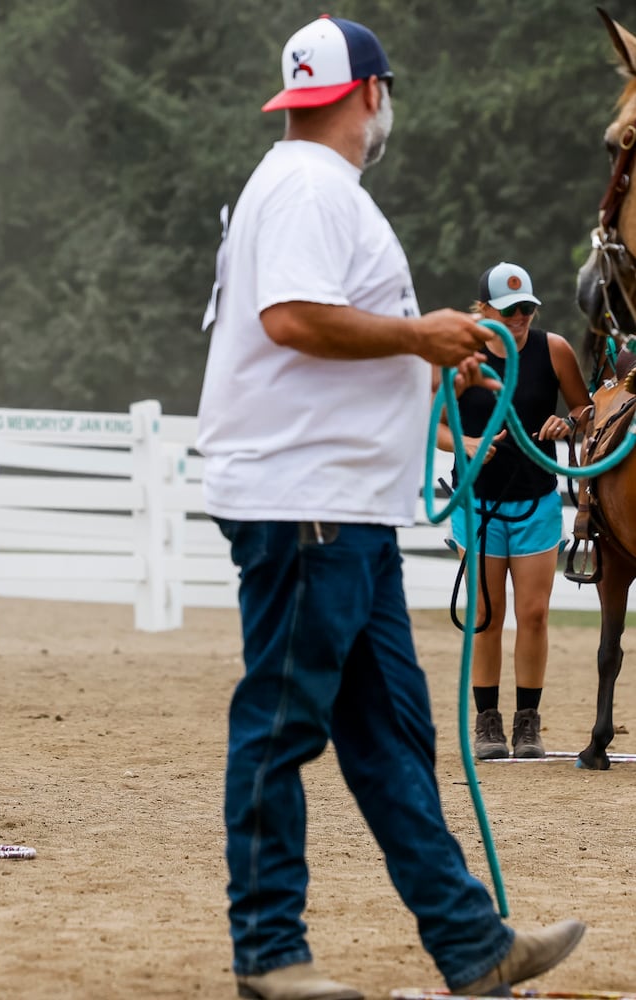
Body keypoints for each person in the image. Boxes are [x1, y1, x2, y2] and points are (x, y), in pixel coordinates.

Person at [195, 15, 585, 999]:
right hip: (304, 501)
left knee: (390, 732)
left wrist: (425, 351)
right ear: (371, 92)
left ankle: (470, 943)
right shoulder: (309, 187)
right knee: (281, 722)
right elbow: (290, 318)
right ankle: (269, 954)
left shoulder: (305, 188)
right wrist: (422, 336)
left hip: (343, 508)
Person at [437, 262, 590, 761]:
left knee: (535, 614)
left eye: (526, 308)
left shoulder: (555, 351)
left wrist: (566, 423)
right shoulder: (464, 355)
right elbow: (433, 427)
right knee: (485, 614)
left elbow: (587, 414)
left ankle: (528, 722)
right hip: (478, 504)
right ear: (484, 310)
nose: (520, 317)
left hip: (536, 502)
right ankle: (487, 723)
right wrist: (471, 442)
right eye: (509, 310)